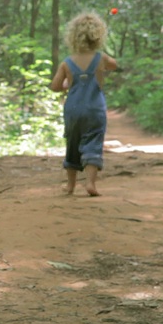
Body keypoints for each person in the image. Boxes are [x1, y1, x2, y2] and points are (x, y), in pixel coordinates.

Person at [50, 12, 118, 196]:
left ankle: (70, 186)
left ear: (72, 36)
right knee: (93, 143)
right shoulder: (101, 58)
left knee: (72, 143)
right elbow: (114, 65)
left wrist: (67, 84)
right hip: (95, 109)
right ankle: (90, 184)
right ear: (98, 35)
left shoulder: (67, 62)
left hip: (73, 110)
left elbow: (55, 86)